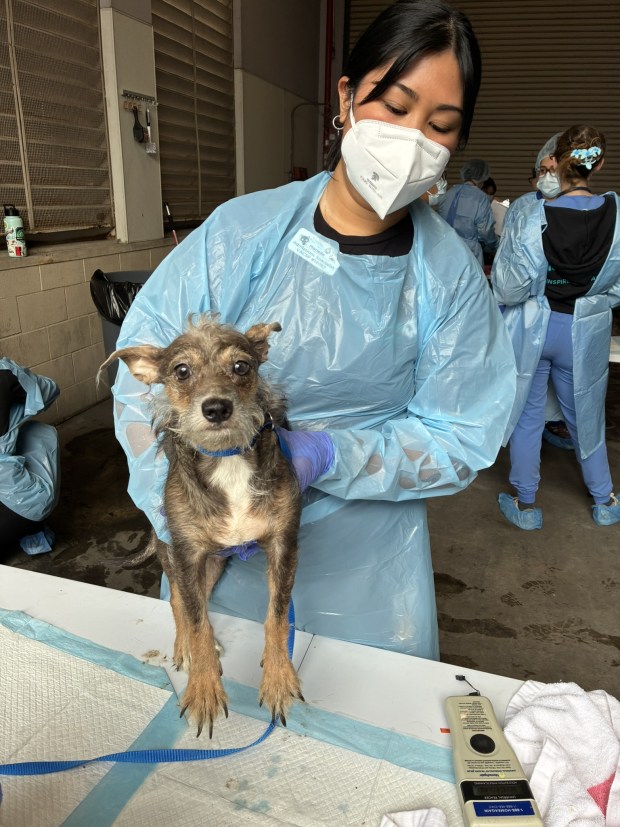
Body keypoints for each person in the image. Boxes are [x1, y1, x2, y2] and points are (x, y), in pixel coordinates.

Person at [112, 0, 516, 660]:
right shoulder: (240, 236)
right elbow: (149, 385)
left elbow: (462, 433)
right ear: (348, 98)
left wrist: (328, 456)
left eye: (440, 126)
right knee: (216, 731)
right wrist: (189, 509)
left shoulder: (447, 276)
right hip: (223, 554)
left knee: (361, 730)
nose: (412, 140)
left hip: (370, 570)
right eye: (395, 106)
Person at [492, 124, 620, 529]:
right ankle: (605, 500)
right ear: (598, 163)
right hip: (584, 332)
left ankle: (526, 504)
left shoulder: (532, 213)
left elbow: (510, 287)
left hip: (535, 327)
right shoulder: (617, 216)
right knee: (586, 416)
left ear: (554, 163)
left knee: (529, 415)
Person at [438, 158, 497, 265]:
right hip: (470, 252)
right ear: (483, 178)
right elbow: (485, 231)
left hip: (445, 248)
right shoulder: (481, 198)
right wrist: (494, 245)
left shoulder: (449, 193)